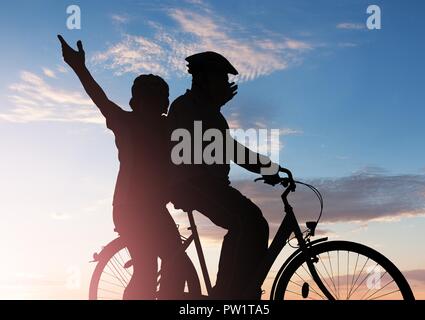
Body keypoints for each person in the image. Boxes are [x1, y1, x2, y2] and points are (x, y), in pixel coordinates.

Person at [57, 35, 186, 299]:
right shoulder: (128, 123)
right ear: (141, 103)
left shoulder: (161, 128)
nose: (160, 106)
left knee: (172, 266)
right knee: (149, 271)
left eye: (162, 100)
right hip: (131, 209)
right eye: (158, 99)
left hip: (149, 208)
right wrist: (79, 68)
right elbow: (99, 97)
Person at [167, 51, 281, 299]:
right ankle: (227, 295)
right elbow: (218, 147)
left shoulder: (211, 112)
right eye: (219, 79)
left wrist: (267, 167)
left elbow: (228, 148)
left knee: (254, 224)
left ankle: (240, 290)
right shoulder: (186, 106)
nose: (224, 84)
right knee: (246, 221)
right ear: (201, 80)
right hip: (191, 182)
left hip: (208, 183)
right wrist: (267, 166)